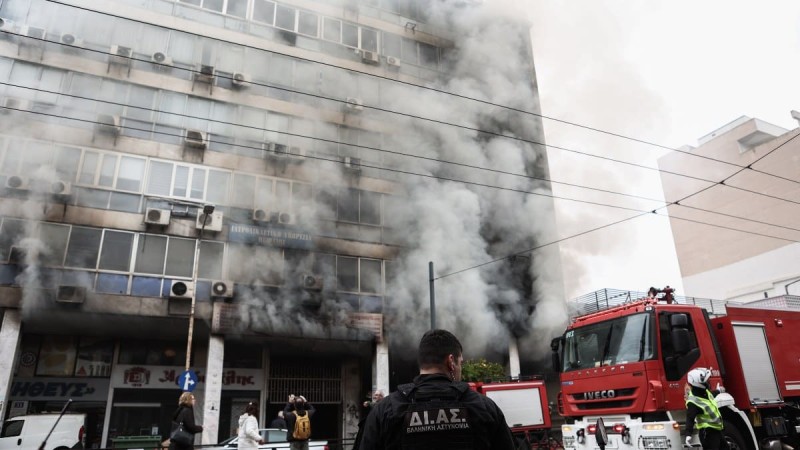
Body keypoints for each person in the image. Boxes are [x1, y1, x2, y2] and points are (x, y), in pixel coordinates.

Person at [356, 329, 516, 450]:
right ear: (451, 361)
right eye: (461, 363)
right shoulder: (484, 407)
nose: (460, 368)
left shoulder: (385, 410)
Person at [685, 367, 726, 450]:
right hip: (708, 434)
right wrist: (688, 434)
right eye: (706, 380)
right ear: (699, 383)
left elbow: (711, 395)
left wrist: (718, 391)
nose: (708, 382)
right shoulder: (693, 402)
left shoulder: (705, 392)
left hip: (717, 431)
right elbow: (690, 418)